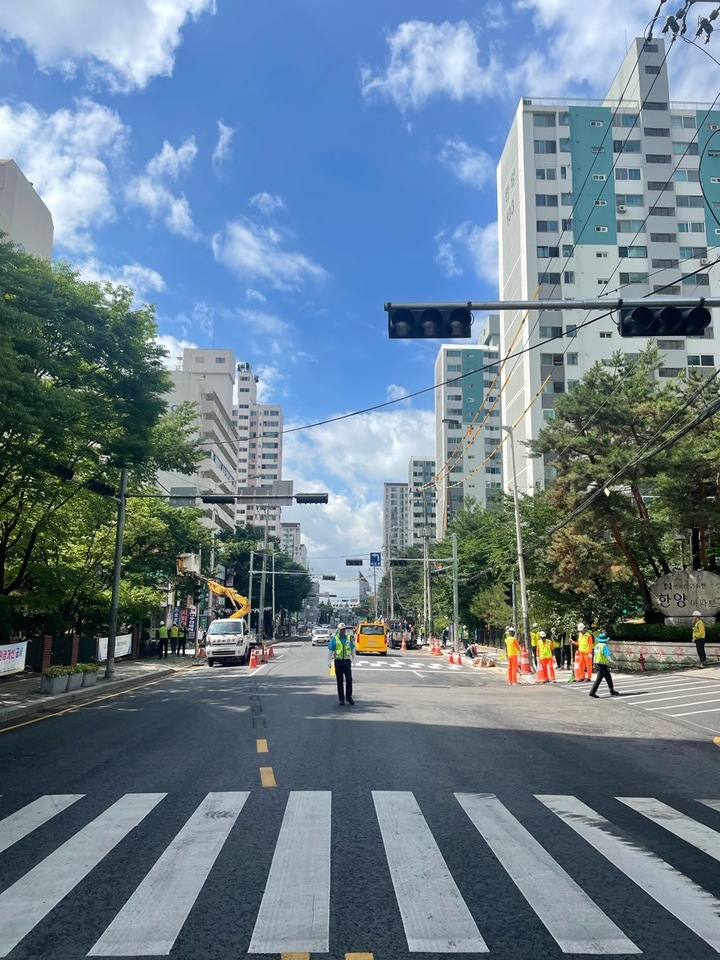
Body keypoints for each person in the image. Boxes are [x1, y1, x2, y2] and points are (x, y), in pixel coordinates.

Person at [328, 623, 356, 705]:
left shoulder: (348, 638)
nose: (343, 631)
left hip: (347, 662)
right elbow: (330, 650)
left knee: (349, 679)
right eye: (341, 629)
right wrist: (329, 661)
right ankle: (341, 699)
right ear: (338, 630)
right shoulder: (335, 639)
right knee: (339, 681)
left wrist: (354, 659)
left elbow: (352, 648)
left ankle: (348, 697)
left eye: (344, 629)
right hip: (338, 661)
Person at [589, 631, 619, 698]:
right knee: (599, 679)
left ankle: (612, 690)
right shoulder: (604, 646)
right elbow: (607, 655)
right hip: (602, 664)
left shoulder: (597, 646)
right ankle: (592, 692)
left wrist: (594, 663)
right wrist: (612, 662)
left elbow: (594, 655)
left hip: (598, 663)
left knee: (608, 677)